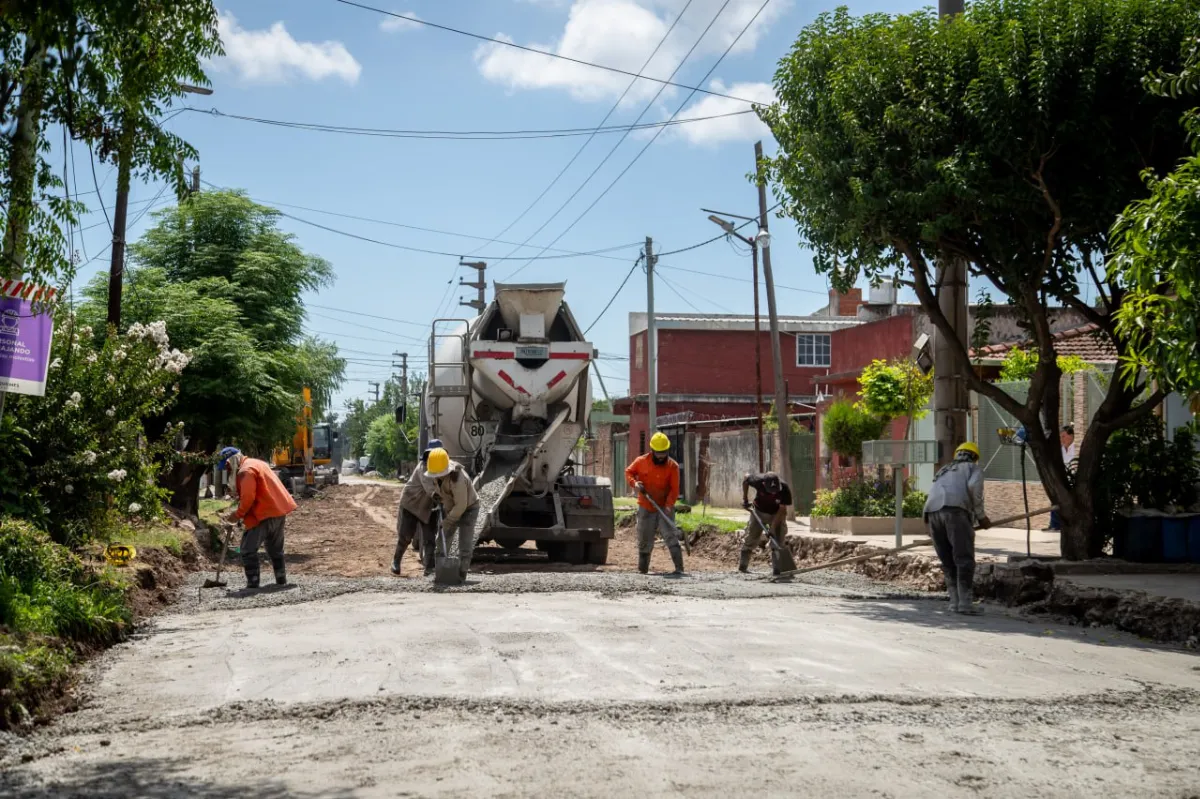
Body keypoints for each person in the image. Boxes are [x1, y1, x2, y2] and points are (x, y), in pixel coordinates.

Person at [923, 441, 990, 615]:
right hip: (955, 512)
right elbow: (974, 488)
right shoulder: (973, 469)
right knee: (964, 559)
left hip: (931, 513)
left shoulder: (943, 470)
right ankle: (965, 604)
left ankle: (954, 602)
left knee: (948, 561)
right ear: (974, 457)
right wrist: (981, 517)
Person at [218, 447, 298, 590]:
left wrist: (237, 515)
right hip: (278, 510)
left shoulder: (245, 471)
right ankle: (281, 581)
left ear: (233, 460)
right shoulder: (257, 463)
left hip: (263, 513)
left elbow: (248, 499)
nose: (228, 470)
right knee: (275, 549)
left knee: (247, 550)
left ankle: (253, 585)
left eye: (228, 466)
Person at [625, 431, 684, 576]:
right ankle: (643, 570)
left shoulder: (673, 466)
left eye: (664, 452)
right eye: (659, 453)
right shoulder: (641, 461)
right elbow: (628, 472)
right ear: (652, 450)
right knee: (645, 538)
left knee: (671, 535)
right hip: (646, 506)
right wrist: (635, 484)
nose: (661, 456)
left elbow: (674, 489)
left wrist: (669, 505)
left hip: (665, 507)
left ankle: (679, 569)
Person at [424, 447, 480, 583]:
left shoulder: (458, 479)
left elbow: (461, 505)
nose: (436, 476)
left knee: (464, 544)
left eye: (439, 473)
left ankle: (461, 575)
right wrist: (437, 495)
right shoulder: (437, 474)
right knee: (442, 539)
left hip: (469, 508)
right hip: (451, 509)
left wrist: (447, 521)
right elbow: (443, 491)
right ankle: (440, 572)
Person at [393, 439, 443, 577]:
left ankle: (429, 568)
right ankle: (396, 562)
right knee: (406, 536)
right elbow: (431, 489)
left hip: (428, 506)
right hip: (412, 504)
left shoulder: (443, 467)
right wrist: (444, 499)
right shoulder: (423, 467)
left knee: (429, 538)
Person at [740, 471, 793, 574]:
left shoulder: (784, 489)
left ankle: (777, 569)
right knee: (752, 536)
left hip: (777, 514)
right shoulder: (758, 480)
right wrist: (745, 499)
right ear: (764, 484)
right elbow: (746, 478)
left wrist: (772, 528)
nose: (773, 493)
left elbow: (782, 510)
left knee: (778, 540)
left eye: (775, 490)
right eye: (771, 491)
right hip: (759, 512)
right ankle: (743, 566)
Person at [1046, 425, 1075, 531]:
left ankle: (1061, 524)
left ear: (1071, 436)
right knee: (1055, 499)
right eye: (1061, 437)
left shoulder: (1076, 448)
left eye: (1064, 436)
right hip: (1062, 479)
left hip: (1073, 479)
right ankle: (1054, 524)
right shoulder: (1061, 450)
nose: (1062, 439)